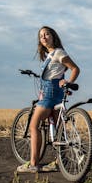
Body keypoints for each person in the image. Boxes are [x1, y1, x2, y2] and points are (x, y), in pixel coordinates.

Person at [17, 26, 80, 173]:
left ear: (53, 36)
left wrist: (69, 82)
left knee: (34, 126)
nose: (44, 37)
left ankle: (33, 164)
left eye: (47, 34)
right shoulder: (50, 55)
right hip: (56, 93)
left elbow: (75, 68)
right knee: (59, 131)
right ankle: (60, 162)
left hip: (50, 95)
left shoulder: (58, 53)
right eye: (41, 36)